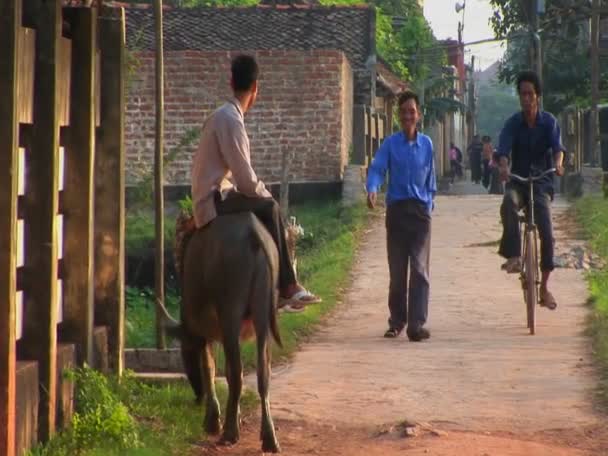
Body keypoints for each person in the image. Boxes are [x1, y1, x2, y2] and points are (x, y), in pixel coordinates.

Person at [191, 54, 320, 311]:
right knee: (270, 208)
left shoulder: (221, 115)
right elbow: (246, 179)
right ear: (256, 88)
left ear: (231, 82)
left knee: (262, 203)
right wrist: (265, 193)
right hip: (213, 200)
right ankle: (288, 286)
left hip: (212, 193)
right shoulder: (231, 120)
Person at [366, 91, 436, 342]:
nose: (408, 115)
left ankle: (416, 325)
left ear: (418, 115)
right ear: (398, 115)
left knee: (419, 268)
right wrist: (372, 189)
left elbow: (431, 180)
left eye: (412, 111)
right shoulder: (390, 144)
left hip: (419, 213)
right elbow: (377, 169)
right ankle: (397, 322)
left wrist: (430, 203)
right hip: (396, 213)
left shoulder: (426, 145)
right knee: (397, 272)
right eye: (404, 111)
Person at [497, 70, 565, 310]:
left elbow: (558, 149)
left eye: (530, 94)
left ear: (537, 97)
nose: (526, 99)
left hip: (542, 183)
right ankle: (514, 256)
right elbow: (503, 150)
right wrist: (504, 167)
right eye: (522, 94)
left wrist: (558, 164)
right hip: (519, 181)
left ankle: (545, 287)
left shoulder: (549, 123)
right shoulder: (513, 123)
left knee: (547, 233)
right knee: (508, 203)